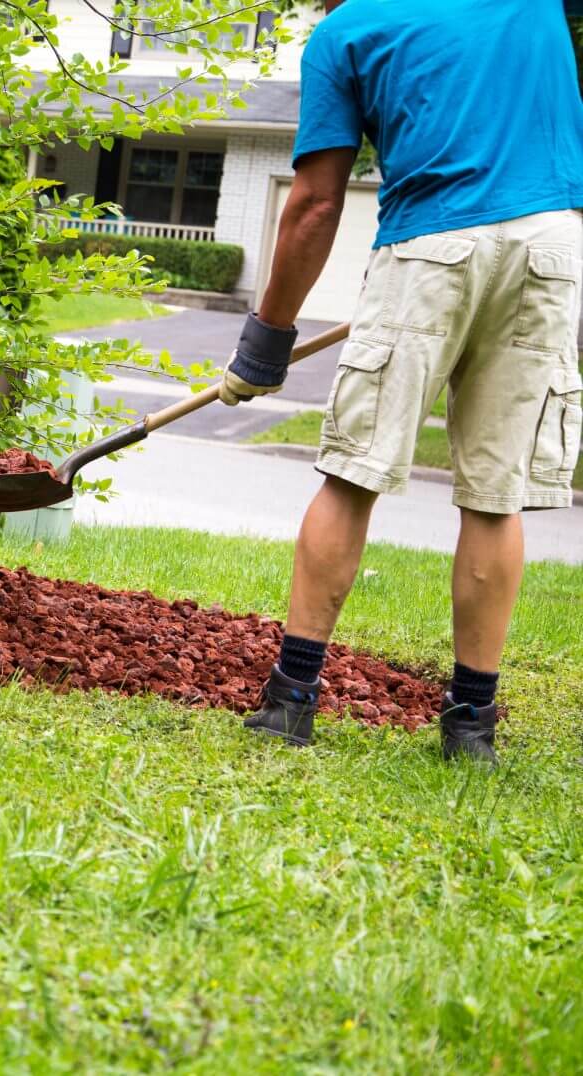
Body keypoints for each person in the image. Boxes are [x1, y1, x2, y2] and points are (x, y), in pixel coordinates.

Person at [221, 0, 583, 763]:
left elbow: (316, 202)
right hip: (550, 246)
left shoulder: (346, 30)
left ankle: (290, 702)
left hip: (427, 246)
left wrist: (265, 343)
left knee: (354, 473)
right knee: (496, 493)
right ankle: (471, 728)